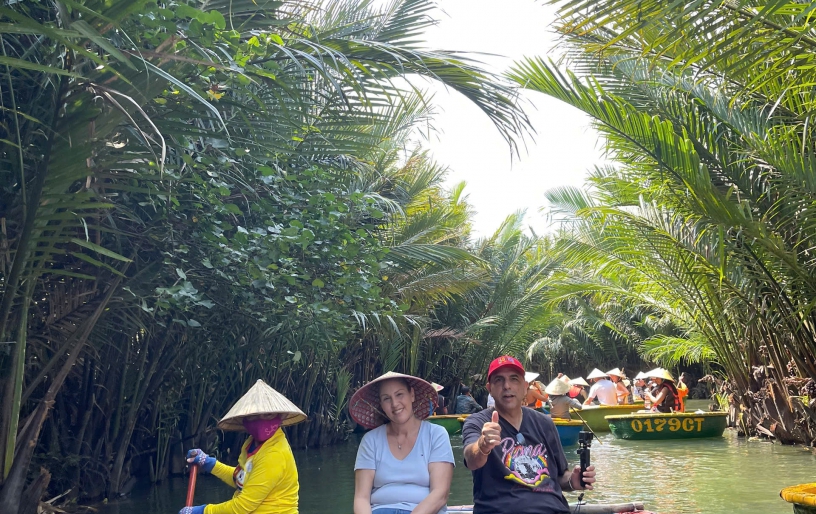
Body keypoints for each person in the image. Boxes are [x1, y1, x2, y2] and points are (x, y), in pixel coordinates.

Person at [462, 356, 596, 514]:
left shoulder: (544, 423)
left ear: (525, 387)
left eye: (514, 379)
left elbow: (560, 476)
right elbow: (471, 459)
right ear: (489, 388)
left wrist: (573, 481)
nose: (507, 386)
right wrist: (483, 445)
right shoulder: (477, 422)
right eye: (499, 380)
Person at [181, 379, 307, 514]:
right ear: (244, 419)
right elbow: (242, 480)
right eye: (253, 416)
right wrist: (210, 464)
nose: (260, 421)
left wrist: (203, 511)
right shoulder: (251, 444)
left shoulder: (274, 454)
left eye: (268, 414)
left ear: (280, 416)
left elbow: (242, 507)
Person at [350, 371, 454, 514]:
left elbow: (440, 494)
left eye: (399, 394)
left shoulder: (436, 435)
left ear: (412, 395)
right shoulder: (370, 441)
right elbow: (361, 498)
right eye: (386, 399)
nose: (394, 404)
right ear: (381, 405)